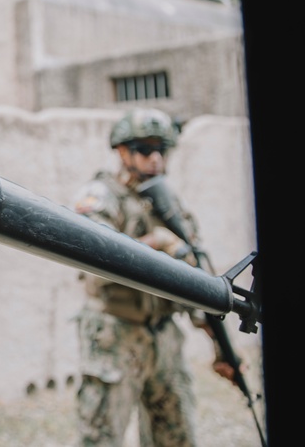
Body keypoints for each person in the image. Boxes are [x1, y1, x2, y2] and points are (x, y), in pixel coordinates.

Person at [71, 108, 232, 447]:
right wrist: (158, 243)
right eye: (144, 149)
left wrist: (221, 345)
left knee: (178, 435)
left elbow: (196, 273)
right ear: (122, 151)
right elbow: (95, 252)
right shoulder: (102, 195)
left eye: (162, 149)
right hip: (115, 333)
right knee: (100, 437)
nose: (155, 158)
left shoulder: (166, 202)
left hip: (163, 333)